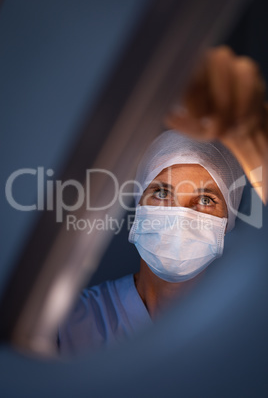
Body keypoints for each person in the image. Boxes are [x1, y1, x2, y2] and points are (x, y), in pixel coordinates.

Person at [58, 47, 268, 356]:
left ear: (228, 223)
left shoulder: (246, 334)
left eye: (206, 199)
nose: (180, 216)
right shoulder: (71, 326)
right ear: (138, 207)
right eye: (162, 193)